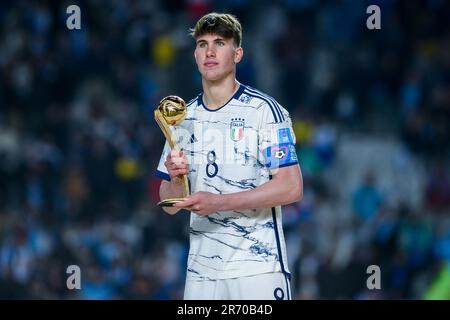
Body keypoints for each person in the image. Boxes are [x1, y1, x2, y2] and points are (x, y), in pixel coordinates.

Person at [156, 12, 303, 300]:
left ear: (237, 54)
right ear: (196, 55)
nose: (209, 51)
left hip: (257, 269)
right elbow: (169, 203)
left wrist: (218, 203)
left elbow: (291, 187)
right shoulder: (183, 118)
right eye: (202, 44)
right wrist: (175, 180)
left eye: (220, 43)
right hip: (201, 274)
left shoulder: (264, 111)